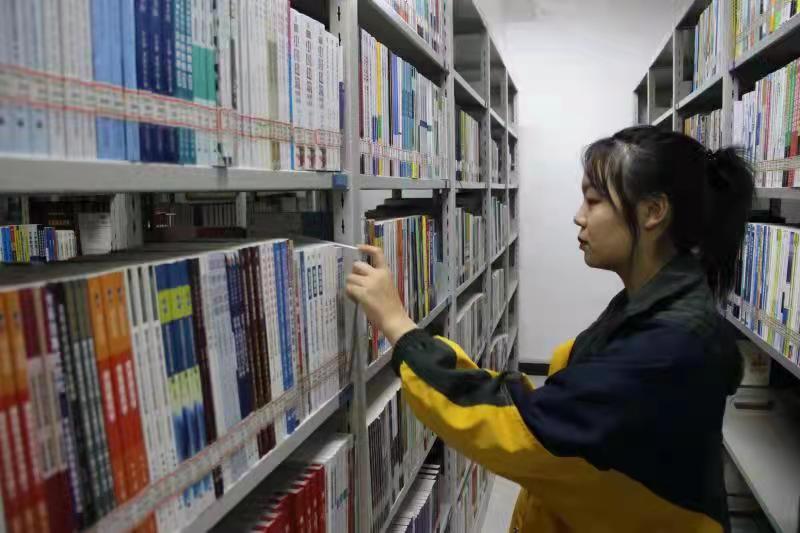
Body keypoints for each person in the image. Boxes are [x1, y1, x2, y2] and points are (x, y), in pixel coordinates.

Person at [346, 126, 754, 533]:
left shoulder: (668, 350)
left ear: (653, 212)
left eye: (594, 200)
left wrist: (398, 325)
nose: (579, 216)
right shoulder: (656, 306)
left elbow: (521, 429)